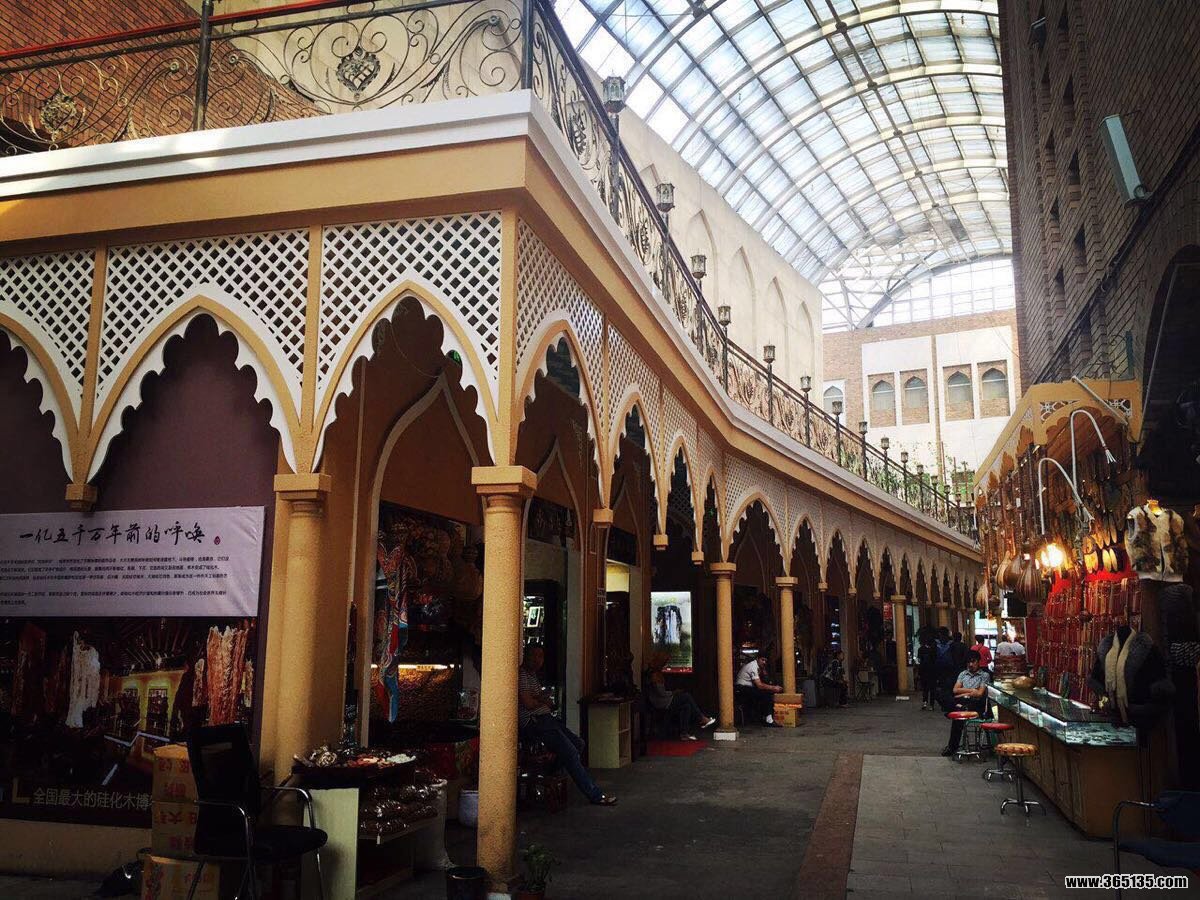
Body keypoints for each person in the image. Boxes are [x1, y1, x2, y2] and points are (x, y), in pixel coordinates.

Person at [519, 645, 616, 806]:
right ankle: (595, 795)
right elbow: (528, 703)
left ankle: (549, 771)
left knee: (578, 744)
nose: (538, 660)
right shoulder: (522, 675)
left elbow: (539, 699)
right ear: (526, 656)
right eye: (534, 656)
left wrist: (541, 698)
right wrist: (542, 700)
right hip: (535, 722)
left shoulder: (532, 676)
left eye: (541, 656)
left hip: (546, 719)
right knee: (570, 752)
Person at [941, 650, 991, 757]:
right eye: (969, 662)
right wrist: (972, 691)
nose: (971, 664)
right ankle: (959, 707)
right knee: (944, 696)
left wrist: (963, 692)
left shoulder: (984, 675)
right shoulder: (963, 674)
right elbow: (955, 690)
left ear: (978, 662)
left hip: (975, 703)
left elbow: (979, 693)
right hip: (962, 701)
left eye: (973, 662)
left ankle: (951, 747)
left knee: (958, 717)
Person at [644, 666, 716, 740]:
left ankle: (684, 733)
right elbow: (662, 693)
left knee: (687, 706)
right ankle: (701, 718)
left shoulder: (657, 679)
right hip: (664, 703)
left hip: (666, 701)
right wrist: (673, 692)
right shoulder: (653, 681)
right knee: (687, 696)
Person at [735, 654, 784, 725]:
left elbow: (766, 680)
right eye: (762, 660)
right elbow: (760, 685)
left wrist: (764, 670)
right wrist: (773, 688)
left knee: (766, 693)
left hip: (748, 687)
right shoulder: (753, 666)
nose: (764, 662)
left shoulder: (759, 667)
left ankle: (763, 717)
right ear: (757, 659)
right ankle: (769, 720)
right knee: (766, 695)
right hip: (741, 689)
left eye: (765, 661)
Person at [932, 627, 957, 709]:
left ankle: (946, 703)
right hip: (949, 668)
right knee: (947, 687)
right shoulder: (951, 644)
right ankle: (947, 703)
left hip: (940, 668)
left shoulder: (935, 644)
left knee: (943, 687)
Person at [916, 635, 938, 710]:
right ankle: (931, 705)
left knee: (925, 688)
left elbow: (919, 660)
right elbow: (936, 660)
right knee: (932, 689)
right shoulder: (934, 649)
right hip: (932, 671)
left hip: (923, 671)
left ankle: (925, 702)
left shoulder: (920, 649)